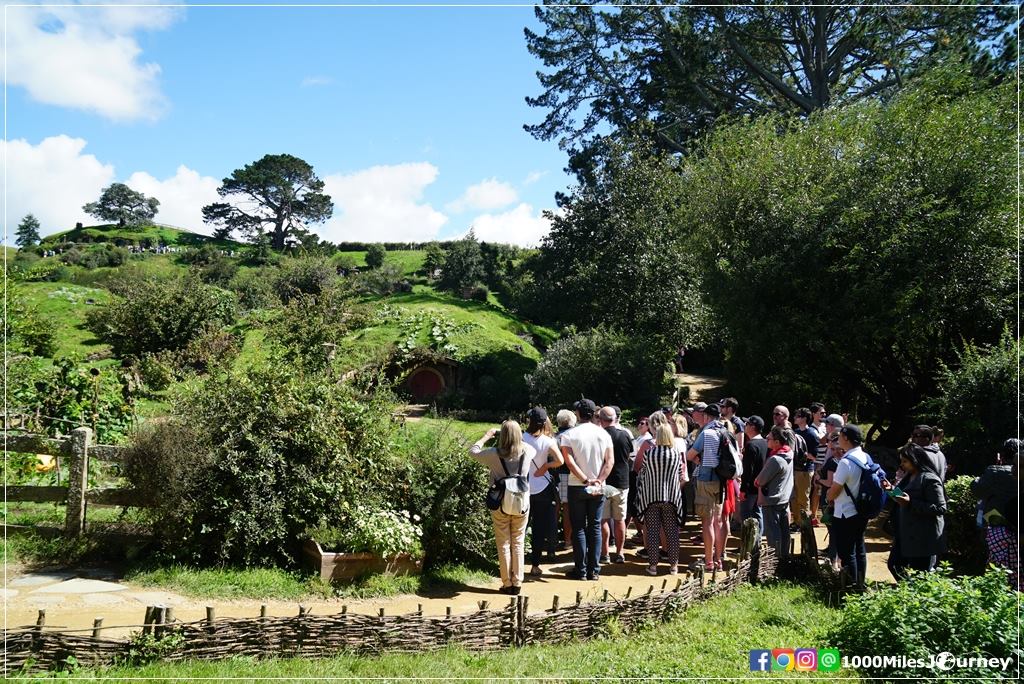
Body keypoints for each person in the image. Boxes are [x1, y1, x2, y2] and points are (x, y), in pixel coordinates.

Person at [470, 421, 538, 595]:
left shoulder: (493, 454)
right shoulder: (528, 451)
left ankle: (507, 582)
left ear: (502, 435)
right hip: (521, 502)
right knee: (518, 541)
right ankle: (518, 582)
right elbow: (528, 447)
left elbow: (473, 452)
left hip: (500, 501)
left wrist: (486, 436)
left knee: (504, 543)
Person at [560, 399, 614, 580]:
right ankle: (594, 570)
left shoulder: (569, 434)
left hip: (577, 485)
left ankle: (581, 570)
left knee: (579, 528)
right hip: (598, 487)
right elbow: (610, 461)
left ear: (577, 413)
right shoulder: (604, 434)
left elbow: (569, 461)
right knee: (595, 527)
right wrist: (599, 480)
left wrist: (585, 479)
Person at [885, 443, 946, 580]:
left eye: (905, 461)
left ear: (915, 460)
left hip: (922, 537)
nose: (902, 465)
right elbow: (902, 496)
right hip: (905, 532)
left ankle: (913, 595)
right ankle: (908, 591)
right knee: (894, 565)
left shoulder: (930, 479)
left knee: (920, 574)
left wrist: (911, 503)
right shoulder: (909, 476)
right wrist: (891, 489)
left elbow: (940, 508)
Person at [636, 422, 688, 576]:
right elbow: (680, 475)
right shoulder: (675, 454)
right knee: (672, 532)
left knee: (652, 532)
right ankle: (673, 566)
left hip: (651, 498)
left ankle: (653, 566)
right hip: (671, 498)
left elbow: (643, 472)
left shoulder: (649, 453)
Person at [827, 424, 874, 590]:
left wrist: (828, 497)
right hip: (861, 510)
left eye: (840, 436)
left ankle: (851, 588)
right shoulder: (865, 456)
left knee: (847, 552)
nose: (838, 439)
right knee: (859, 548)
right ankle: (860, 584)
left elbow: (835, 489)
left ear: (846, 438)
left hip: (845, 512)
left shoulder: (846, 462)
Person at [971, 438, 1021, 591]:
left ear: (1002, 454)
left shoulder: (994, 471)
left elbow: (977, 490)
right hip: (1017, 526)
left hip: (996, 524)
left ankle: (995, 592)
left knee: (994, 562)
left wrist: (977, 479)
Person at [522, 407, 564, 577]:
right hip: (542, 488)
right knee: (539, 528)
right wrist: (546, 466)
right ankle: (535, 565)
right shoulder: (548, 441)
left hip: (523, 486)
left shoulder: (521, 438)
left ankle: (513, 564)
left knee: (520, 528)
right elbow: (559, 461)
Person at [686, 402, 726, 571]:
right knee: (718, 521)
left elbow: (690, 454)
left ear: (706, 416)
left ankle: (708, 561)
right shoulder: (726, 431)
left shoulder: (707, 433)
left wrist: (698, 459)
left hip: (706, 479)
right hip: (721, 480)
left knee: (707, 522)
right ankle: (719, 559)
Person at [598, 406, 633, 564]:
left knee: (603, 519)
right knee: (620, 520)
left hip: (604, 481)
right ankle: (620, 553)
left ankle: (604, 553)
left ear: (601, 420)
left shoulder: (600, 435)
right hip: (621, 481)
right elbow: (630, 457)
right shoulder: (625, 435)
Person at [755, 425, 795, 559]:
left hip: (771, 500)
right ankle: (784, 558)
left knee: (773, 533)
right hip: (783, 498)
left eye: (769, 438)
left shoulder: (775, 459)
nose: (767, 439)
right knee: (784, 531)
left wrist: (758, 481)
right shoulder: (789, 454)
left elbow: (759, 481)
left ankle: (775, 561)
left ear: (777, 442)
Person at [739, 415, 767, 539]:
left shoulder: (751, 445)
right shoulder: (765, 443)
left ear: (753, 427)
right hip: (761, 486)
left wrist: (743, 489)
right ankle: (757, 541)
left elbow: (747, 471)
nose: (745, 426)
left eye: (747, 424)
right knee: (757, 513)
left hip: (751, 488)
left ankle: (748, 542)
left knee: (746, 515)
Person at [792, 408, 821, 527]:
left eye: (798, 416)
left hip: (805, 470)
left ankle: (804, 524)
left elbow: (814, 456)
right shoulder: (795, 432)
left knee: (803, 498)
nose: (795, 418)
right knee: (794, 498)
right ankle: (797, 521)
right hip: (795, 469)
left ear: (804, 419)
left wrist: (802, 454)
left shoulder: (811, 434)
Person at [554, 409, 577, 550]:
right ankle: (568, 541)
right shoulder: (574, 436)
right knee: (568, 508)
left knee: (555, 508)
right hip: (571, 475)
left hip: (556, 475)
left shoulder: (554, 437)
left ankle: (553, 540)